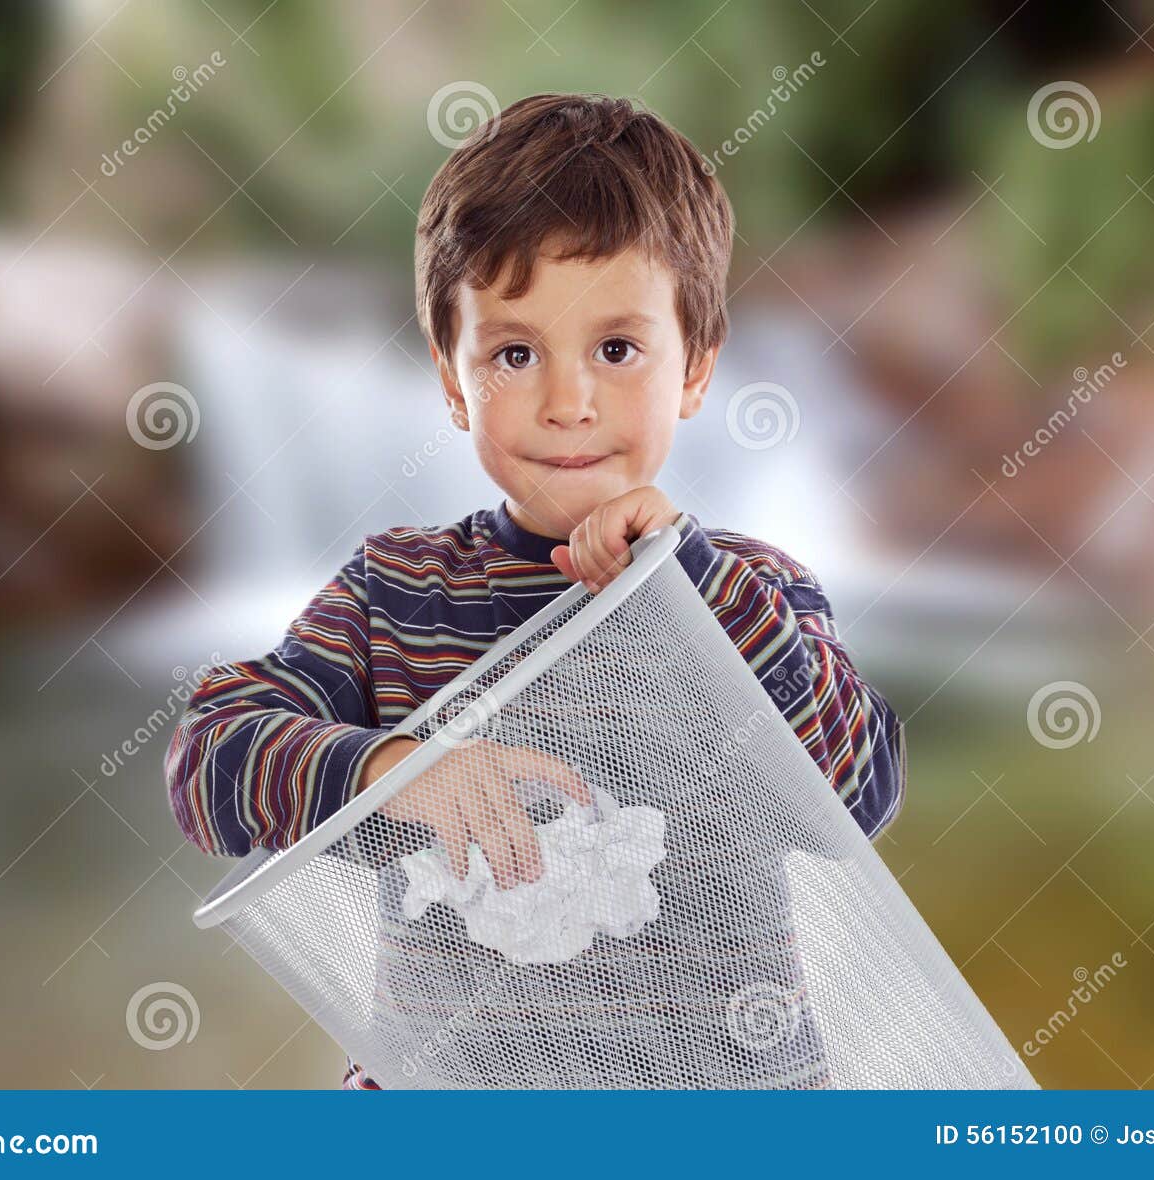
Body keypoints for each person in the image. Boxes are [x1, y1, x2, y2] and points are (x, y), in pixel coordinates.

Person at [164, 91, 906, 1089]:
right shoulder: (396, 595)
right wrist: (395, 770)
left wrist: (693, 576)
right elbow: (205, 763)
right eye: (515, 353)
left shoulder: (751, 591)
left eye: (617, 348)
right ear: (451, 378)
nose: (568, 403)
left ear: (695, 368)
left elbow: (856, 794)